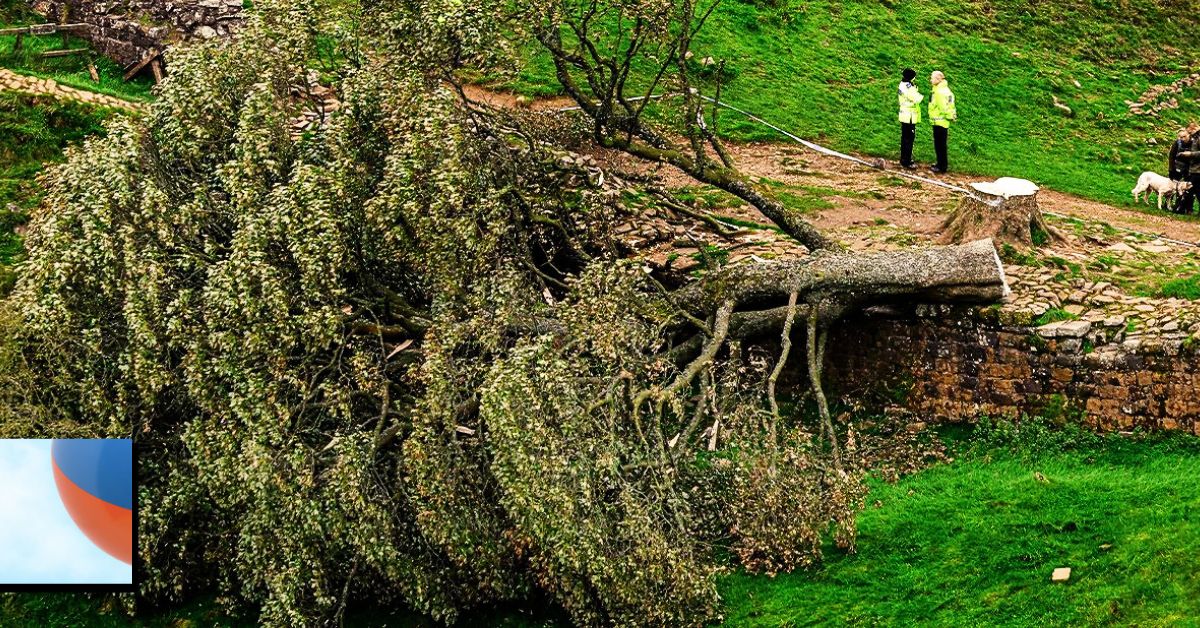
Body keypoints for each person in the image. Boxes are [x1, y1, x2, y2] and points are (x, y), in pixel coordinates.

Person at [928, 70, 957, 174]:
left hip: (939, 121)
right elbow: (950, 104)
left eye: (932, 78)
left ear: (938, 79)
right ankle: (940, 164)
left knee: (939, 145)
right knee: (941, 144)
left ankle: (941, 167)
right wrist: (952, 116)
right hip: (943, 121)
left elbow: (943, 107)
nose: (930, 79)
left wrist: (949, 116)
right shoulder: (944, 89)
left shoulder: (939, 92)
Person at [897, 68, 923, 169]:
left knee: (905, 138)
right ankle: (906, 161)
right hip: (909, 116)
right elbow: (917, 98)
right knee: (908, 139)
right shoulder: (909, 87)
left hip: (905, 115)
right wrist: (916, 90)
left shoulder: (903, 84)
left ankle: (904, 159)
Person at [1173, 124, 1200, 214]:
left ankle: (1180, 209)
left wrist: (1190, 154)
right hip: (1193, 169)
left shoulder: (1198, 138)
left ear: (1194, 129)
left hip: (1197, 170)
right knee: (1193, 190)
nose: (1189, 133)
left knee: (1189, 188)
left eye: (1189, 132)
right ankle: (1183, 209)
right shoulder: (1195, 138)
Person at [1169, 127, 1191, 213]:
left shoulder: (1193, 143)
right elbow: (1171, 156)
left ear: (1188, 135)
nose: (1182, 138)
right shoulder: (1177, 143)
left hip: (1189, 169)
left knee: (1187, 188)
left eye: (1184, 136)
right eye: (1180, 137)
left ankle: (1185, 208)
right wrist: (1171, 169)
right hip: (1177, 167)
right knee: (1172, 186)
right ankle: (1168, 204)